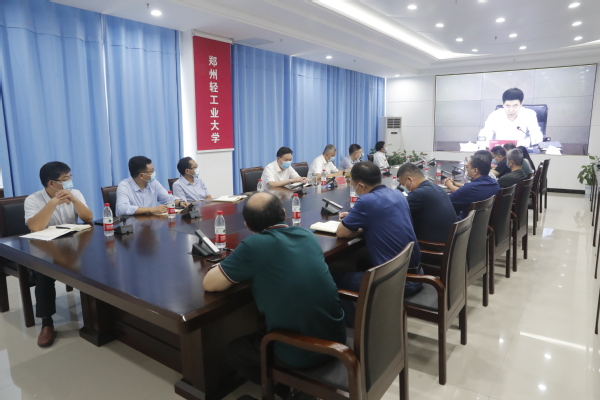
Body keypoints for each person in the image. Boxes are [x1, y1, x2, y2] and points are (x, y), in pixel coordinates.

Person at [203, 192, 346, 400]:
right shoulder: (306, 235)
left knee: (235, 352)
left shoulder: (253, 246)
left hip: (300, 351)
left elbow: (210, 284)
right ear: (284, 213)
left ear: (247, 225)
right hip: (336, 338)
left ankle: (287, 390)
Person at [24, 161, 94, 347]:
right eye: (66, 178)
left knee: (96, 264)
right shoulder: (33, 200)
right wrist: (54, 202)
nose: (70, 181)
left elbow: (88, 218)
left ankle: (98, 313)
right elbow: (35, 227)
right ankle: (47, 323)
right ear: (52, 183)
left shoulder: (75, 193)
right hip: (46, 249)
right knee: (44, 275)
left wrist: (75, 200)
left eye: (70, 177)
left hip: (73, 246)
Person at [335, 162, 422, 298]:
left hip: (398, 282)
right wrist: (364, 220)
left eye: (353, 186)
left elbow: (341, 232)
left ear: (361, 186)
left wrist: (363, 224)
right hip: (416, 275)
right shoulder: (398, 194)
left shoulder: (366, 201)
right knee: (362, 261)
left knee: (332, 278)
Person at [397, 163, 458, 243]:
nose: (406, 188)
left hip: (433, 246)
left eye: (404, 185)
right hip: (449, 243)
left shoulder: (418, 194)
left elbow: (397, 215)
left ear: (410, 180)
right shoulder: (438, 188)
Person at [116, 156, 189, 216]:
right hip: (133, 225)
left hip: (151, 222)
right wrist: (151, 209)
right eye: (151, 171)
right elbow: (122, 209)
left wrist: (180, 202)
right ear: (141, 175)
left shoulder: (153, 183)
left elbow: (167, 198)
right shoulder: (124, 186)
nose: (154, 173)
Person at [477, 88, 544, 149]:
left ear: (521, 104)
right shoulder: (495, 115)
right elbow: (485, 135)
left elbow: (537, 137)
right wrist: (486, 144)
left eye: (515, 106)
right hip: (499, 152)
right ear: (503, 104)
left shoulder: (529, 114)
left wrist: (519, 144)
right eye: (508, 106)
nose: (511, 110)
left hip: (520, 151)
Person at [445, 155, 500, 219]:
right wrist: (455, 185)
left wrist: (450, 186)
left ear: (475, 171)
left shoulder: (471, 188)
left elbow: (446, 200)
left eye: (467, 168)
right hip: (483, 220)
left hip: (464, 223)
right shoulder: (494, 183)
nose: (466, 170)